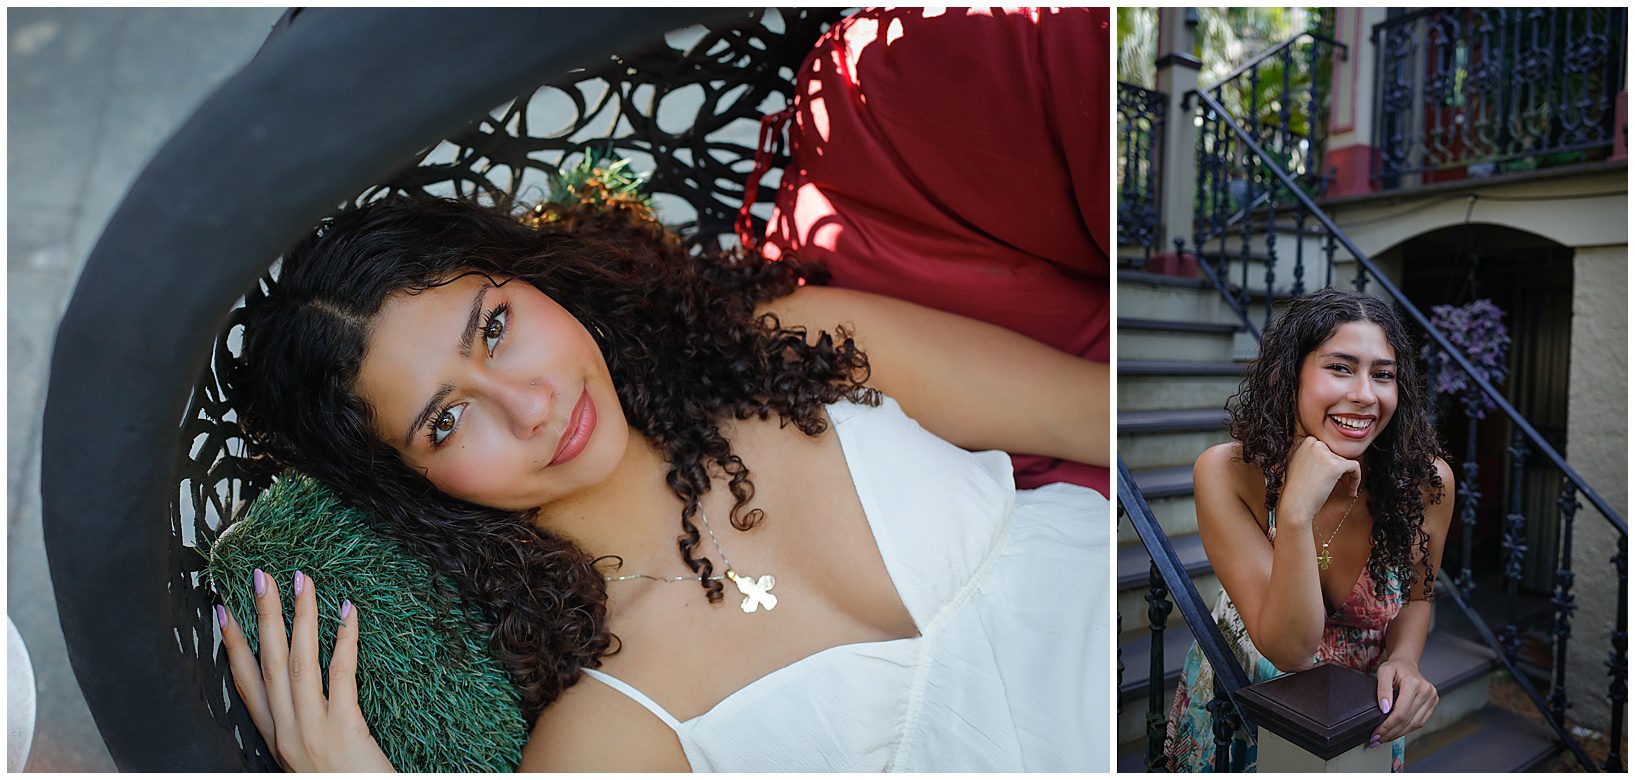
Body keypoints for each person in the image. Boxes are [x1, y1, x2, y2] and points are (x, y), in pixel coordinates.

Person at [215, 192, 1109, 771]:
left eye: (494, 328)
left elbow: (1092, 413)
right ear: (412, 482)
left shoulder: (788, 348)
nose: (530, 405)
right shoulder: (608, 732)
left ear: (532, 281)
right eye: (445, 420)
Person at [1162, 288, 1454, 772]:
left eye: (1383, 374)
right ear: (1291, 375)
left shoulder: (1426, 483)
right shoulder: (1228, 473)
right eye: (1340, 367)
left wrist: (1404, 659)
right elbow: (1293, 650)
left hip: (1359, 726)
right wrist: (1295, 510)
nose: (1364, 394)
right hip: (1239, 712)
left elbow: (1419, 596)